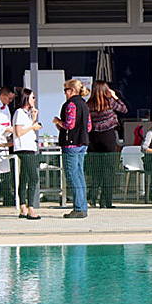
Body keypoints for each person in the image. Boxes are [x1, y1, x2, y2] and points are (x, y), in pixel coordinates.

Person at [53, 79, 91, 218]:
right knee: (79, 174)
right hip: (83, 142)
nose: (65, 93)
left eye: (65, 90)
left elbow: (70, 125)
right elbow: (89, 126)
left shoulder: (71, 104)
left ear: (71, 90)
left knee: (72, 175)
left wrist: (58, 122)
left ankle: (78, 207)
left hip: (71, 143)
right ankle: (83, 206)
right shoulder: (84, 104)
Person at [87, 81, 127, 208]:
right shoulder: (110, 102)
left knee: (96, 169)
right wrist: (115, 96)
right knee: (109, 169)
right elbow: (124, 109)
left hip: (93, 137)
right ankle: (106, 201)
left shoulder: (88, 105)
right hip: (108, 136)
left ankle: (92, 197)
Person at [12, 88, 42, 219]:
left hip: (29, 146)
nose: (34, 100)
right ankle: (31, 207)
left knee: (24, 177)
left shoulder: (26, 114)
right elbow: (19, 132)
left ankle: (23, 206)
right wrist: (32, 127)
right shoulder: (19, 113)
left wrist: (33, 118)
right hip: (24, 148)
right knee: (33, 177)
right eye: (32, 97)